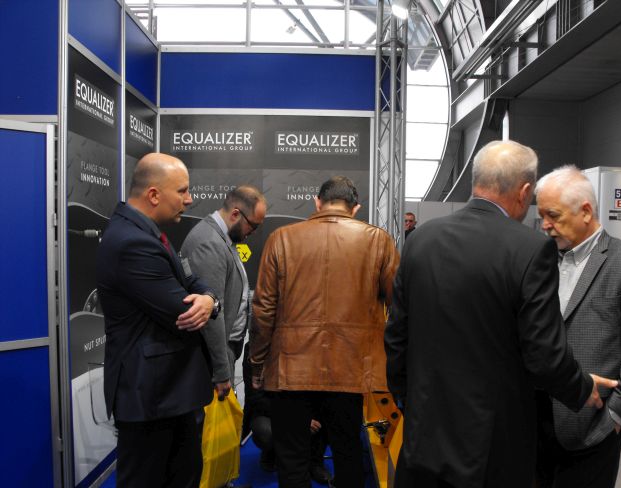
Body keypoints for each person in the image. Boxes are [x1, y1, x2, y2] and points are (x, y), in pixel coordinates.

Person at [384, 140, 617, 488]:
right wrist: (583, 388)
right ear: (524, 191)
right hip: (490, 445)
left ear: (476, 180)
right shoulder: (530, 249)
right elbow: (544, 354)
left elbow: (396, 336)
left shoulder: (420, 240)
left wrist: (408, 398)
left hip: (423, 434)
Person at [249, 176, 400, 488]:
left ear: (317, 202)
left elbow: (263, 309)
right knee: (348, 452)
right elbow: (398, 307)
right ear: (355, 208)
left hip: (290, 370)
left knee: (292, 460)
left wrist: (258, 363)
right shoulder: (379, 241)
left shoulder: (281, 238)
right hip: (352, 369)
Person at [97, 153, 220, 488]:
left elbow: (191, 280)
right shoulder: (132, 242)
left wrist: (209, 298)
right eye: (182, 191)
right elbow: (184, 312)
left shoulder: (145, 232)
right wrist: (205, 302)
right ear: (153, 194)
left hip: (166, 394)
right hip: (152, 397)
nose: (189, 199)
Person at [534, 166, 621, 488]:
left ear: (585, 211)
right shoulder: (540, 259)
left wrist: (616, 416)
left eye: (553, 215)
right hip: (534, 424)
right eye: (542, 215)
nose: (545, 225)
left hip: (592, 426)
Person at [181, 185, 267, 399]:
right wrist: (221, 371)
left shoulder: (223, 238)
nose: (253, 233)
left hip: (224, 351)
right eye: (253, 226)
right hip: (210, 360)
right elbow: (211, 315)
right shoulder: (209, 243)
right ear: (236, 214)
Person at [242, 343, 333, 485]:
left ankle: (315, 460)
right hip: (270, 410)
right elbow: (256, 399)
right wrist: (297, 419)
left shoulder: (308, 343)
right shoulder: (254, 349)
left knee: (328, 407)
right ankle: (272, 452)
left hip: (303, 405)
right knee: (265, 432)